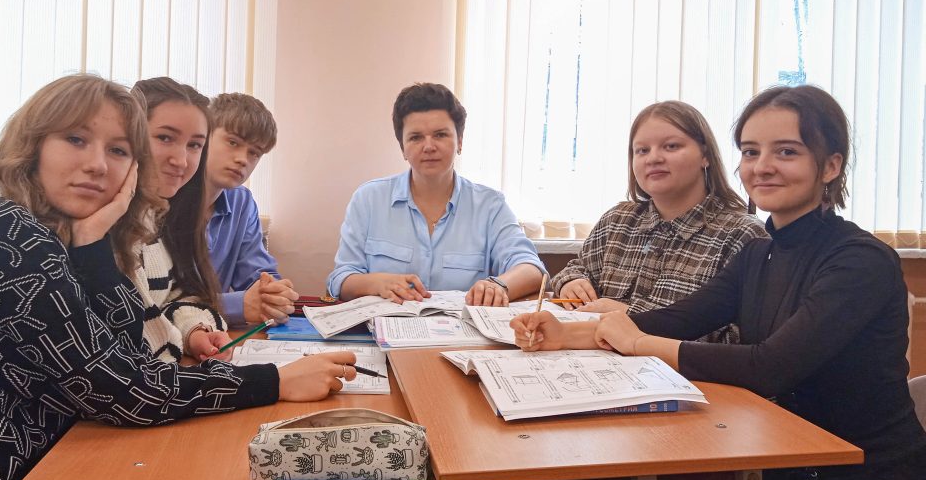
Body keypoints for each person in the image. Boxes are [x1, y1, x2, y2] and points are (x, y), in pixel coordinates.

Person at [0, 74, 357, 480]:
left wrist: (92, 246)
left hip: (29, 467)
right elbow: (126, 388)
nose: (97, 165)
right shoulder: (6, 237)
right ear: (32, 145)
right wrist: (275, 381)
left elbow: (132, 354)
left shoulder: (60, 234)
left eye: (118, 151)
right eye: (75, 139)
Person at [513, 85, 926, 480]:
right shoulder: (759, 253)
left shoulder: (859, 260)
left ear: (830, 166)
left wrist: (639, 343)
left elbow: (770, 366)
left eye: (786, 151)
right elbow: (676, 320)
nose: (762, 166)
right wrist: (566, 334)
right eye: (751, 152)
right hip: (778, 465)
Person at [551, 100, 765, 342]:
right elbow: (576, 268)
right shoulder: (617, 220)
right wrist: (572, 282)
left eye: (671, 146)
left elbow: (738, 339)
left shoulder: (743, 234)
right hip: (592, 356)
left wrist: (632, 317)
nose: (653, 158)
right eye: (642, 150)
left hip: (677, 366)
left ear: (705, 155)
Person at [328, 82, 545, 306]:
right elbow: (341, 279)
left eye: (440, 135)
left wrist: (498, 285)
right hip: (384, 325)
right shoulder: (369, 199)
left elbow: (531, 268)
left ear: (459, 142)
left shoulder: (490, 205)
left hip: (463, 327)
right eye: (416, 137)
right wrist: (376, 283)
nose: (429, 146)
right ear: (402, 148)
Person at [130, 77, 232, 362]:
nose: (181, 160)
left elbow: (170, 296)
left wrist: (194, 331)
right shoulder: (102, 229)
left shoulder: (156, 217)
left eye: (195, 145)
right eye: (165, 138)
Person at [203, 92, 299, 328]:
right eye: (233, 142)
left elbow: (258, 275)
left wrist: (274, 294)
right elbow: (162, 301)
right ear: (204, 136)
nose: (243, 159)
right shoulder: (165, 197)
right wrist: (237, 305)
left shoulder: (242, 202)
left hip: (215, 336)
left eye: (254, 153)